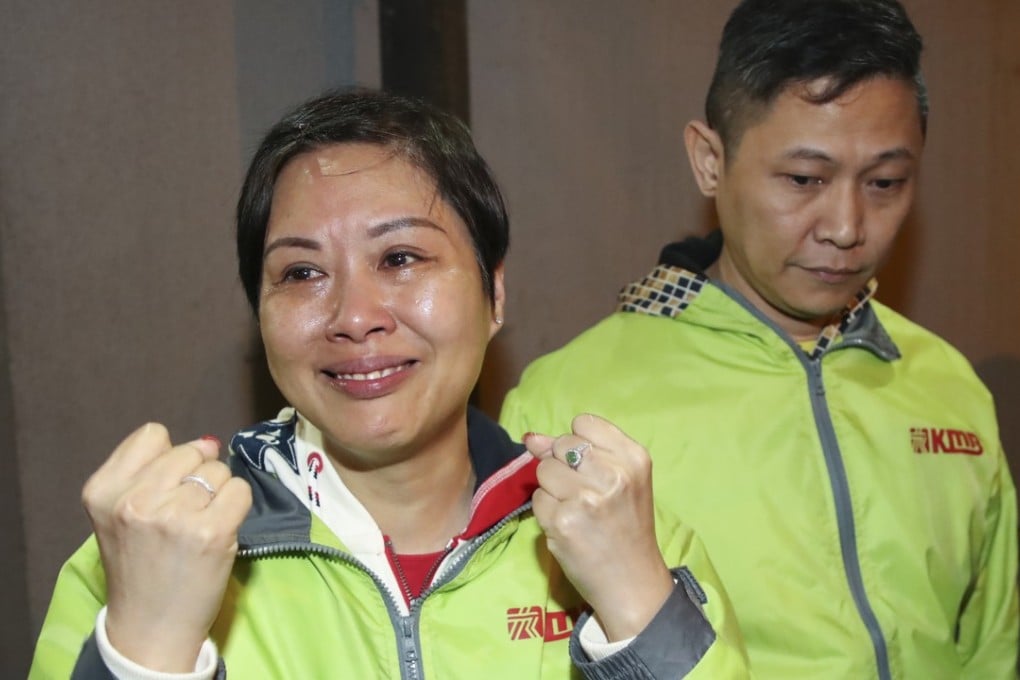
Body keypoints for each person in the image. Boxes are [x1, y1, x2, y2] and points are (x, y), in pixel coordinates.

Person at [29, 89, 748, 679]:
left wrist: (638, 612)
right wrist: (146, 652)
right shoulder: (141, 550)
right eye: (302, 274)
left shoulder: (629, 535)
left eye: (401, 257)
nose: (355, 317)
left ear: (495, 294)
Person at [500, 0, 1019, 677]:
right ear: (710, 161)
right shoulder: (571, 403)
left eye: (886, 182)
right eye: (804, 180)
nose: (846, 225)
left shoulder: (948, 386)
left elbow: (992, 649)